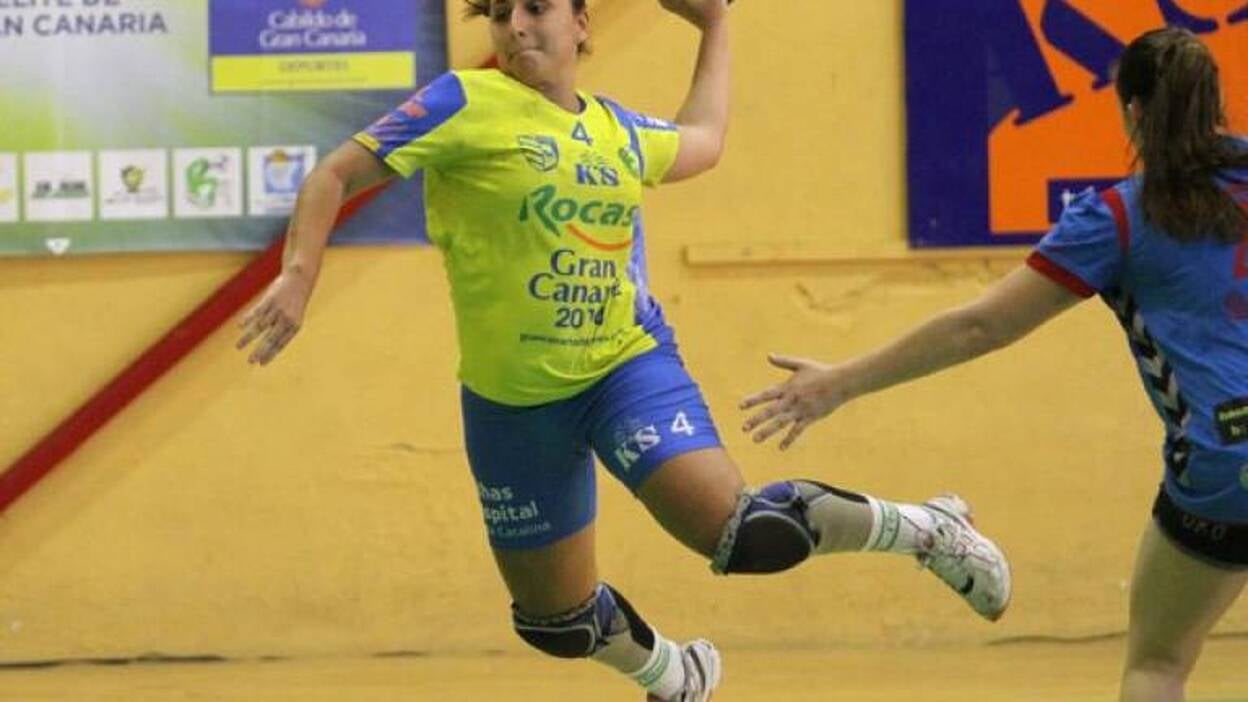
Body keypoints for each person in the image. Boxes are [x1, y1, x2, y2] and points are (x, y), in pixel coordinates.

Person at [236, 1, 1011, 699]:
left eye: (536, 8)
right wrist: (298, 277)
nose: (516, 27)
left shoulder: (615, 130)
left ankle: (927, 528)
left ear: (580, 23)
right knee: (557, 622)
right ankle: (676, 674)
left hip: (624, 369)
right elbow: (334, 174)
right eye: (499, 14)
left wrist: (716, 24)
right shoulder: (463, 102)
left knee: (749, 534)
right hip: (511, 405)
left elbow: (704, 141)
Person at [742, 26, 1248, 702]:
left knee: (1158, 665)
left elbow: (980, 326)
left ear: (1131, 110)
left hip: (1226, 462)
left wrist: (839, 383)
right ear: (1217, 104)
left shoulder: (1119, 218)